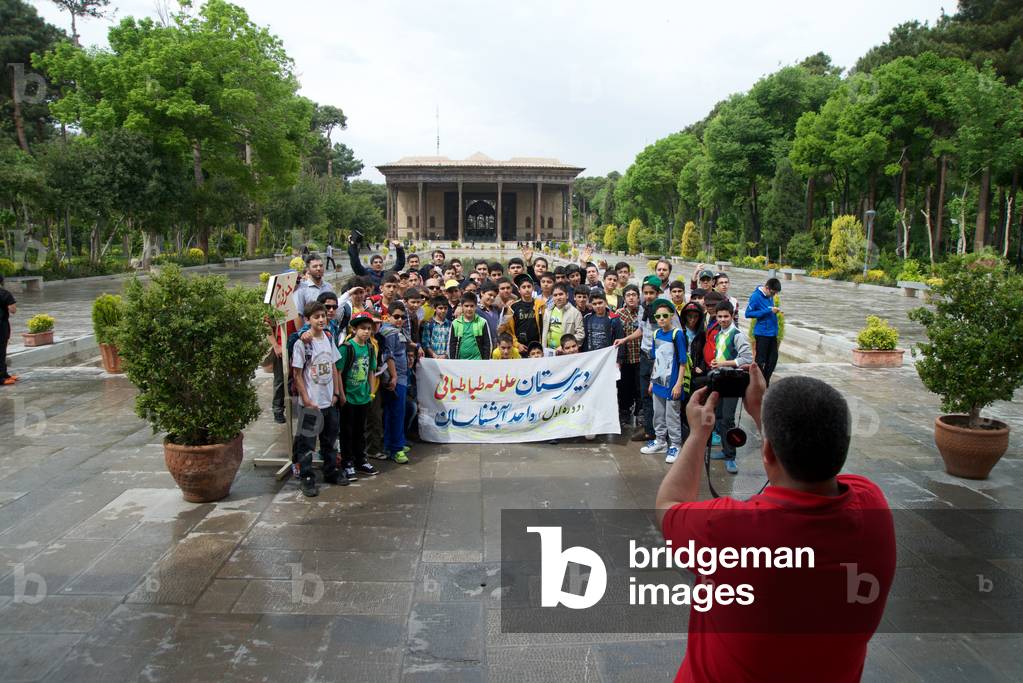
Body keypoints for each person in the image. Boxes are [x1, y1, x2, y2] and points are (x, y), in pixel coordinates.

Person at [656, 365, 895, 683]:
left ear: (766, 450)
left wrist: (699, 432)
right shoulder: (872, 504)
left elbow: (668, 506)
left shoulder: (728, 529)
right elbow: (810, 466)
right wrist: (765, 415)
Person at [290, 301, 343, 497]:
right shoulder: (302, 343)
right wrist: (307, 400)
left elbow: (334, 367)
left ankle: (330, 471)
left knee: (330, 440)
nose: (321, 319)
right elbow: (297, 375)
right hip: (311, 404)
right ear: (307, 319)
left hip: (329, 401)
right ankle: (307, 477)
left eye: (323, 316)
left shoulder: (328, 338)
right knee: (307, 443)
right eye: (316, 317)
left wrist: (336, 393)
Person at [641, 299, 687, 463]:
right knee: (658, 414)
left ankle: (675, 444)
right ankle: (660, 441)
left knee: (672, 416)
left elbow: (683, 361)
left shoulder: (677, 334)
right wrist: (653, 381)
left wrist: (678, 384)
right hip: (658, 382)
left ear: (671, 316)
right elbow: (656, 359)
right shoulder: (656, 334)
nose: (661, 319)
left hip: (672, 383)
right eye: (658, 316)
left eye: (664, 315)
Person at [709, 301, 753, 474]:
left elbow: (747, 359)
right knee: (719, 416)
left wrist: (723, 363)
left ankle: (731, 457)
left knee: (728, 418)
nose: (722, 319)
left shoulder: (737, 335)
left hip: (733, 380)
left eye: (726, 316)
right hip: (720, 378)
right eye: (719, 317)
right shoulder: (718, 334)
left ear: (732, 315)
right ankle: (725, 450)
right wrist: (716, 363)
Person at [337, 312, 379, 480]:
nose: (366, 332)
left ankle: (360, 459)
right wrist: (341, 395)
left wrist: (370, 392)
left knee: (360, 431)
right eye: (362, 328)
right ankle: (347, 462)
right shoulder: (346, 348)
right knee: (347, 431)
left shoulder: (370, 348)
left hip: (363, 397)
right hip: (348, 397)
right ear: (353, 329)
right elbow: (338, 372)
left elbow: (371, 370)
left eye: (369, 329)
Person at [380, 301, 412, 464]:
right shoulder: (389, 333)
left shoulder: (398, 331)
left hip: (401, 376)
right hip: (396, 378)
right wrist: (393, 377)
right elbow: (389, 355)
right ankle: (396, 449)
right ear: (388, 316)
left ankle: (391, 443)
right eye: (396, 317)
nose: (400, 320)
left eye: (402, 317)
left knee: (395, 412)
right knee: (396, 413)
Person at [745, 277, 783, 385]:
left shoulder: (769, 296)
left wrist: (774, 312)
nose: (773, 295)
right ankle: (757, 383)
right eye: (772, 292)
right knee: (760, 361)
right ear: (767, 287)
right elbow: (748, 314)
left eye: (775, 293)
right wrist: (768, 310)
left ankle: (765, 382)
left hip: (772, 333)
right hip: (762, 333)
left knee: (773, 359)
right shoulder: (755, 296)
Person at [615, 284, 642, 426]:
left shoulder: (643, 313)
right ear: (624, 298)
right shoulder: (618, 314)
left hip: (640, 357)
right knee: (624, 387)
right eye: (628, 295)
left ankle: (640, 414)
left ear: (638, 297)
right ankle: (624, 412)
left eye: (634, 295)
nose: (631, 297)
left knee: (640, 388)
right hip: (624, 359)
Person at [505, 274, 544, 354]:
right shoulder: (512, 307)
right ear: (519, 290)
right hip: (520, 347)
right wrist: (517, 345)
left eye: (529, 287)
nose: (527, 289)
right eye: (523, 287)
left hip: (537, 347)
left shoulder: (541, 304)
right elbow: (507, 330)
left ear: (533, 288)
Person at [541, 283, 584, 353]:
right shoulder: (547, 311)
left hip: (567, 352)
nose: (558, 297)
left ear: (567, 295)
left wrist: (565, 345)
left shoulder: (575, 313)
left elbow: (580, 334)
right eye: (555, 295)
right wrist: (544, 349)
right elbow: (544, 333)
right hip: (550, 351)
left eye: (561, 294)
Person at [448, 292, 492, 360]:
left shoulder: (482, 322)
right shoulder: (455, 323)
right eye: (466, 306)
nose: (469, 309)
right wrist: (453, 362)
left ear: (476, 306)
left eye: (472, 306)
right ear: (462, 306)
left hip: (478, 362)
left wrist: (485, 362)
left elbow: (487, 344)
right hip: (460, 362)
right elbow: (452, 345)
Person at [293, 255, 329, 322]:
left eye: (321, 266)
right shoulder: (301, 289)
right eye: (315, 266)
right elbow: (298, 315)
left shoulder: (328, 287)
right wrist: (302, 332)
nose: (319, 268)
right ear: (308, 270)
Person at [0, 275, 15, 386]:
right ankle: (1, 378)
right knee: (1, 351)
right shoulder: (5, 293)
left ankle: (5, 374)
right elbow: (13, 310)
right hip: (1, 326)